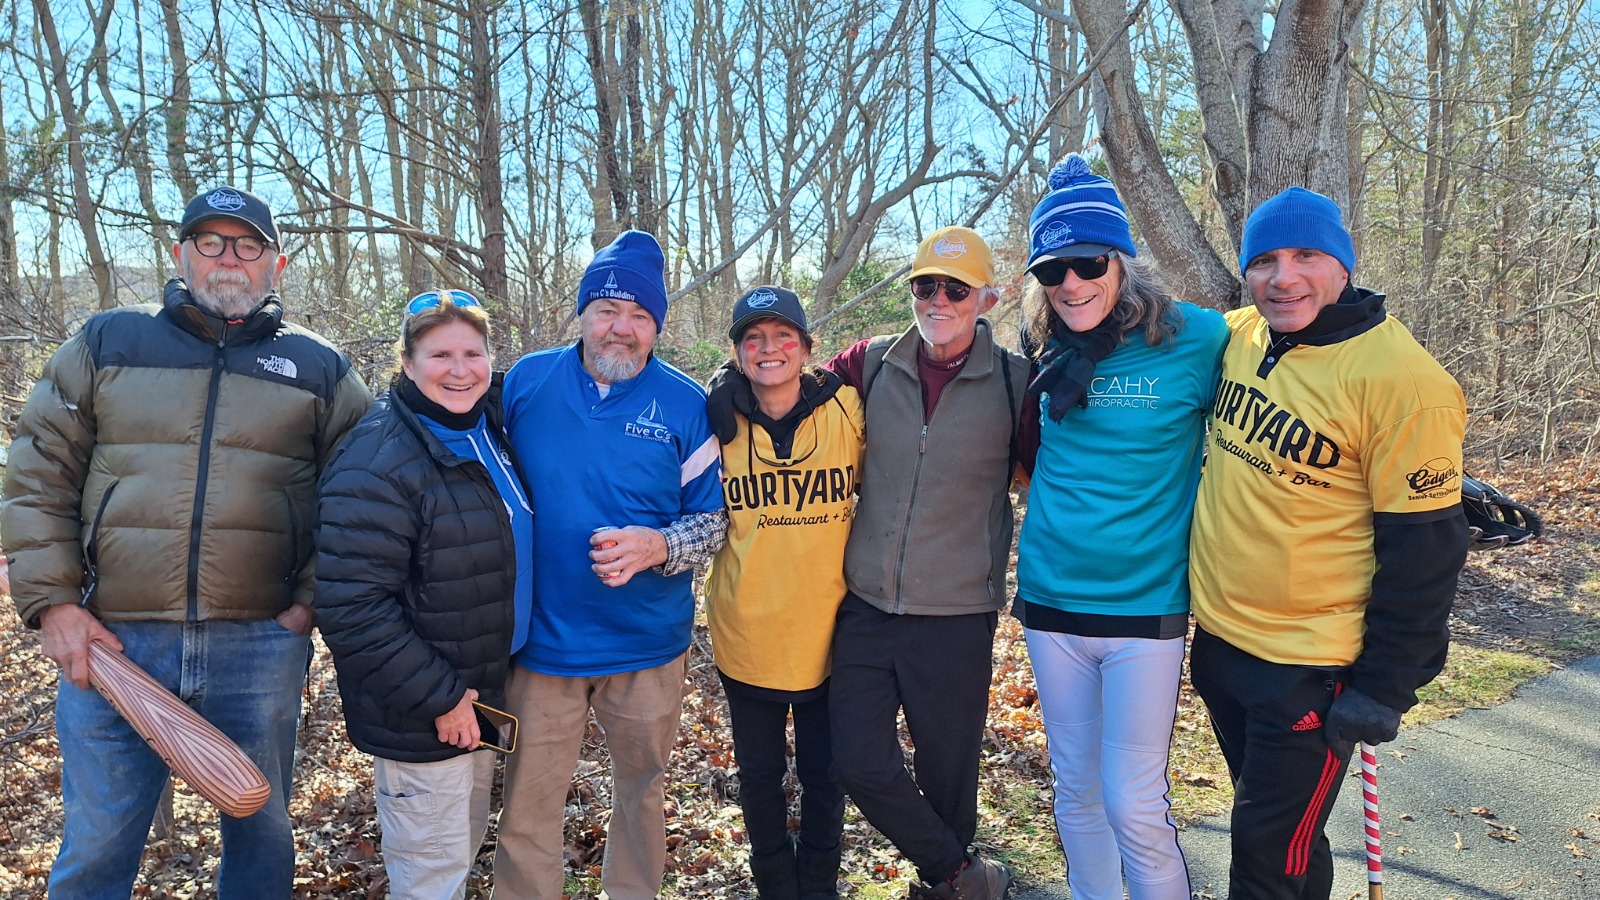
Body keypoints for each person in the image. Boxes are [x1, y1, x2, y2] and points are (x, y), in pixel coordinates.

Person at [0, 186, 372, 898]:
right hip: (114, 642)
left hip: (259, 644)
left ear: (276, 264)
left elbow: (358, 497)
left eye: (247, 245)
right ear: (180, 254)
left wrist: (306, 605)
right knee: (100, 841)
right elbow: (37, 472)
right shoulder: (109, 341)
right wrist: (53, 605)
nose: (228, 259)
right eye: (210, 242)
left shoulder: (319, 368)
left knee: (261, 827)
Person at [1188, 186, 1470, 899]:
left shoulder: (1406, 383)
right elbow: (1143, 335)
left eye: (1306, 255)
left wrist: (1385, 685)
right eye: (1264, 260)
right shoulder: (1238, 336)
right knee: (1287, 847)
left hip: (1309, 670)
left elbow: (1427, 554)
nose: (1283, 277)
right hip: (1222, 647)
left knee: (1263, 856)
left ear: (1344, 265)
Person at [1011, 156, 1227, 900]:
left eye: (1088, 262)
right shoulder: (1043, 349)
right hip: (1051, 601)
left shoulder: (1199, 340)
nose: (1071, 282)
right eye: (1052, 269)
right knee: (1075, 791)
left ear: (1122, 259)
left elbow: (1292, 384)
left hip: (1145, 607)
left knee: (1134, 801)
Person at [493, 230, 726, 900]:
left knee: (642, 796)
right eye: (607, 310)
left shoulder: (685, 404)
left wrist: (658, 546)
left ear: (655, 326)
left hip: (647, 646)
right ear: (583, 313)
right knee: (528, 808)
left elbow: (712, 521)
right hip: (541, 645)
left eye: (640, 317)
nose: (621, 329)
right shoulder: (527, 382)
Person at [823, 226, 1029, 900]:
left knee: (949, 777)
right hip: (866, 605)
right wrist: (731, 385)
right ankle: (962, 876)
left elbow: (1062, 479)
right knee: (856, 757)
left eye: (955, 289)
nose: (937, 300)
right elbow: (789, 394)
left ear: (987, 299)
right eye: (924, 286)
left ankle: (941, 883)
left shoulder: (1015, 383)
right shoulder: (871, 363)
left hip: (957, 615)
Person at [314, 290, 531, 900]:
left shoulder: (484, 425)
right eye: (440, 355)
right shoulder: (379, 459)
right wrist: (441, 699)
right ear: (406, 363)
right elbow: (352, 606)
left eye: (473, 353)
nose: (460, 369)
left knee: (456, 853)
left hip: (482, 687)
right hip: (430, 709)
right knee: (431, 875)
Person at [703, 286, 864, 899]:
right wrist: (718, 387)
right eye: (753, 339)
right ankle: (774, 881)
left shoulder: (847, 407)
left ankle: (818, 883)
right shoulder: (715, 419)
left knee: (826, 773)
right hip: (747, 630)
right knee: (760, 775)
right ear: (738, 352)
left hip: (830, 631)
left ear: (806, 346)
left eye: (782, 336)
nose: (769, 349)